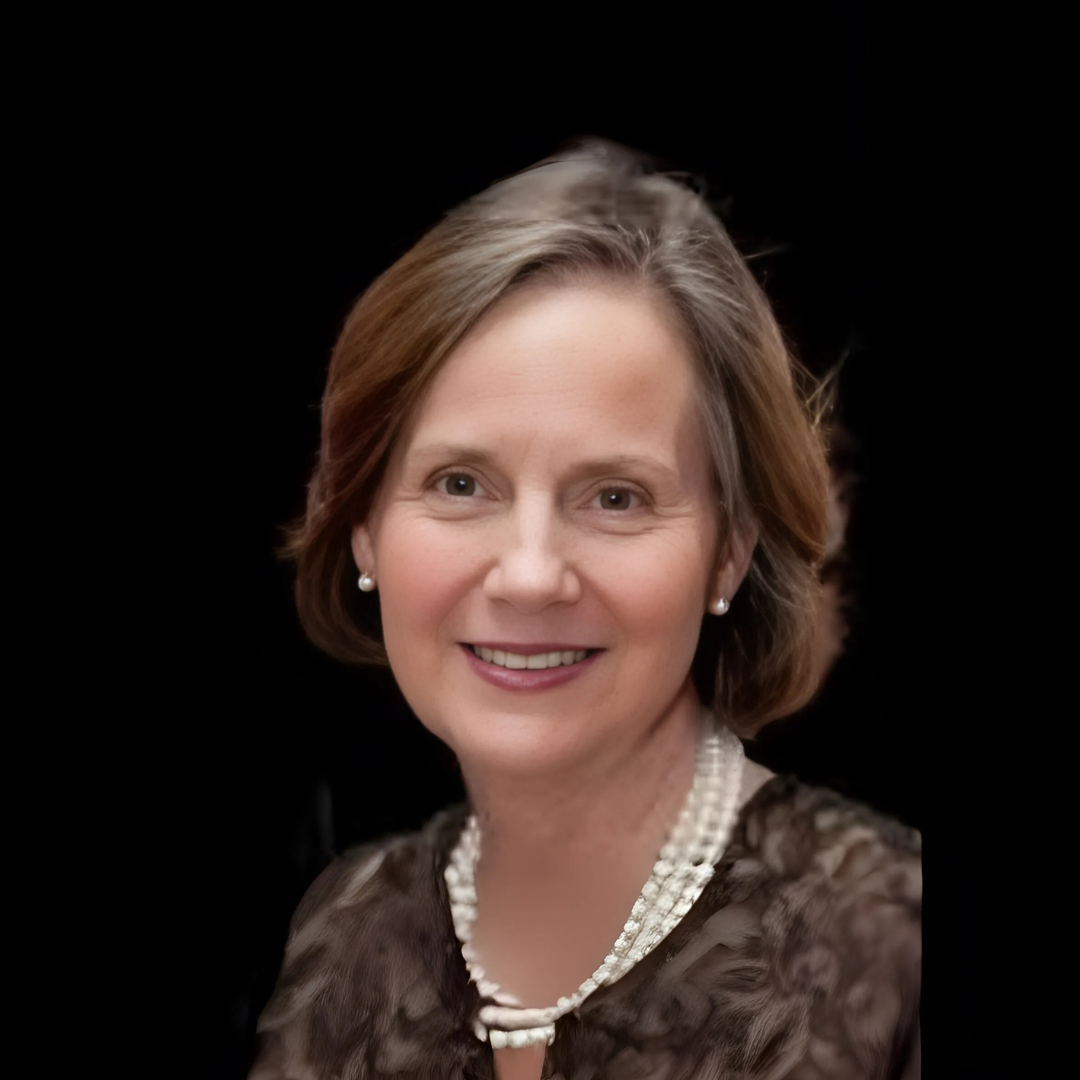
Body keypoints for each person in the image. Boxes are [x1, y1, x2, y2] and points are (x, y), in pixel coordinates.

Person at [248, 140, 920, 1080]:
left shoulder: (896, 951)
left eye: (616, 497)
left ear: (729, 550)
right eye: (459, 482)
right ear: (362, 531)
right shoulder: (349, 928)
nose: (530, 576)